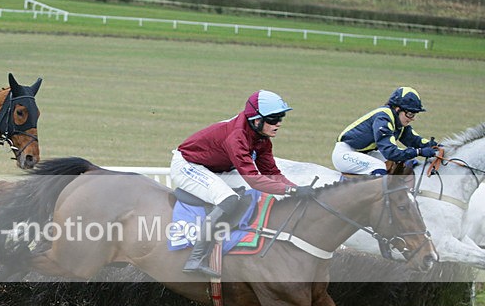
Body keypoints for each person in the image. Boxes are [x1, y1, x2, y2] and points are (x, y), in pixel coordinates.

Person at [170, 90, 314, 277]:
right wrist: (291, 190)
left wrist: (298, 189)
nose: (278, 123)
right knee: (228, 199)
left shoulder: (262, 139)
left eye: (281, 118)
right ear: (256, 120)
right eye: (273, 119)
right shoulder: (237, 137)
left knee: (251, 194)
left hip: (215, 167)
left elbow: (271, 174)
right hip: (188, 165)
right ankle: (195, 259)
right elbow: (255, 180)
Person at [332, 87, 439, 176]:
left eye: (414, 114)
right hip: (346, 154)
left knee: (405, 163)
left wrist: (438, 147)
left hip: (364, 153)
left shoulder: (398, 122)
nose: (412, 118)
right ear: (397, 109)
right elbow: (391, 153)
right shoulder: (383, 119)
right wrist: (418, 152)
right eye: (410, 114)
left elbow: (415, 140)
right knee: (379, 167)